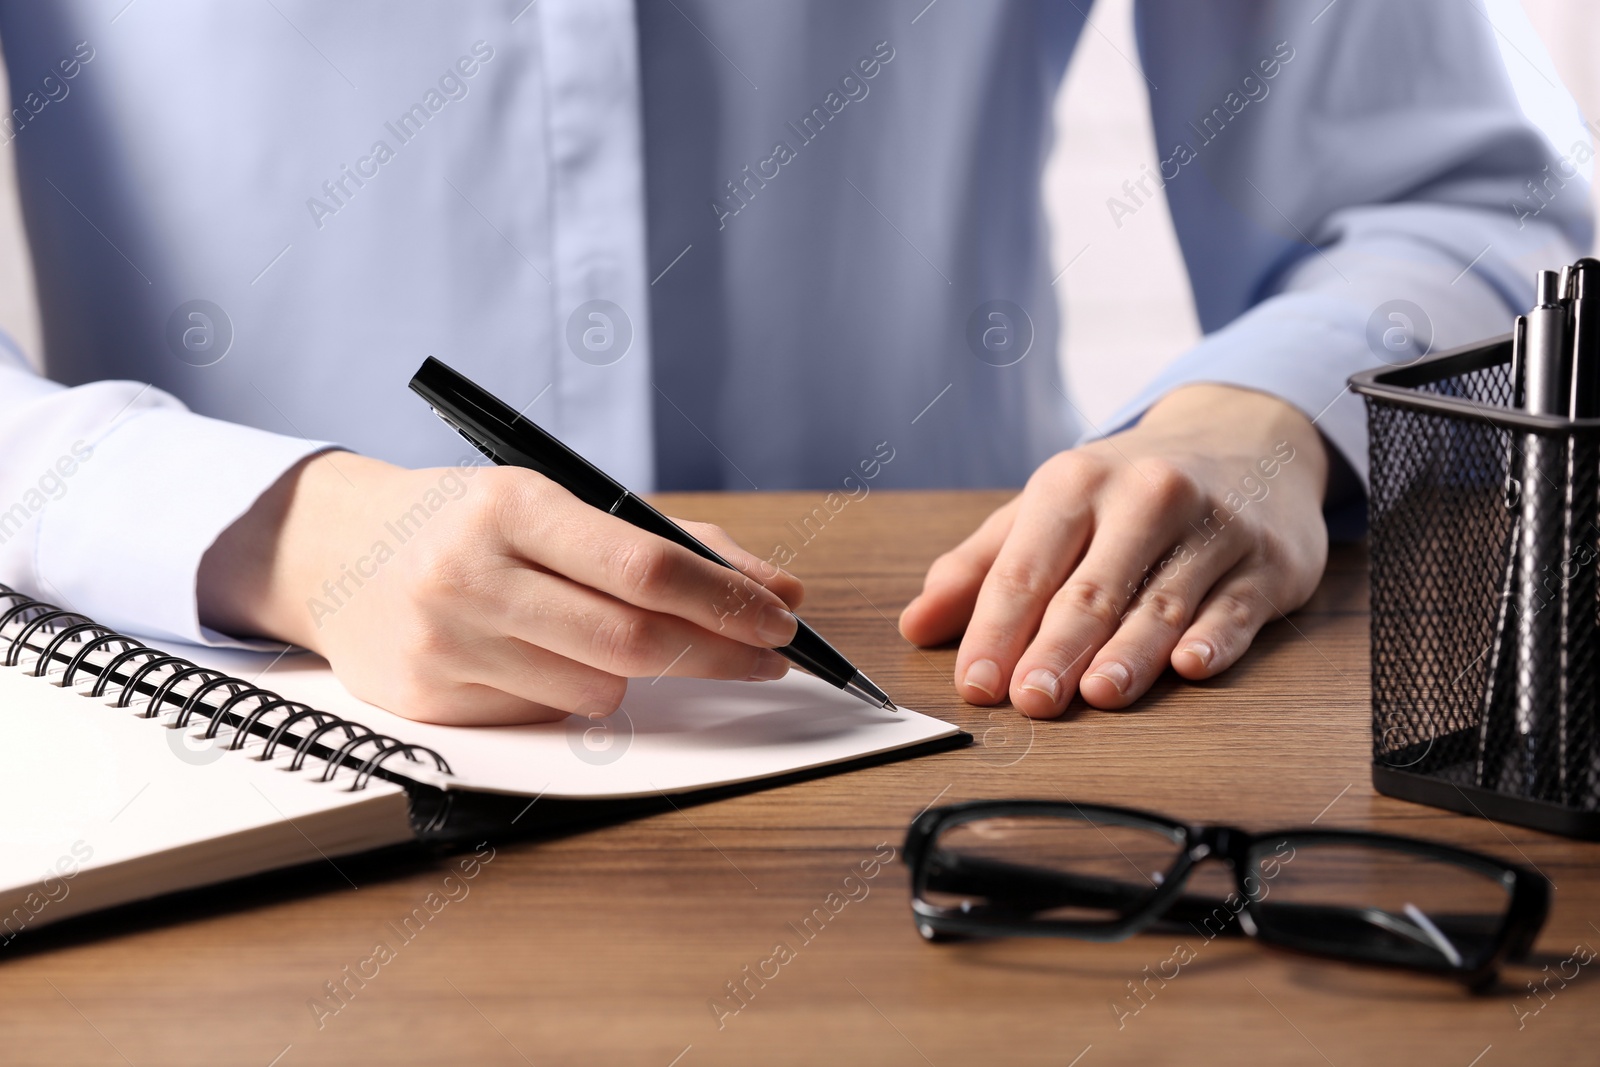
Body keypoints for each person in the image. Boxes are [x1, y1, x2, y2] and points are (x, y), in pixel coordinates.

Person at [0, 1, 1587, 724]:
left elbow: (1483, 202)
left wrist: (1267, 421)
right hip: (228, 754)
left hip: (947, 725)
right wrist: (286, 531)